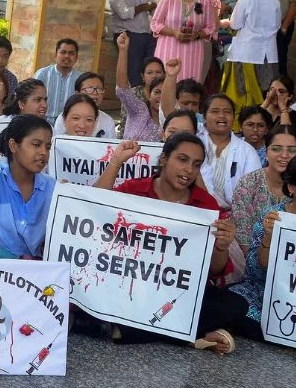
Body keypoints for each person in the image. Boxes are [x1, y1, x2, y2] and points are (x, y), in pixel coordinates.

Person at [93, 134, 244, 353]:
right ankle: (189, 335)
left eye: (196, 164)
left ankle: (127, 330)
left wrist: (222, 246)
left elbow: (215, 271)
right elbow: (93, 206)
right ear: (164, 159)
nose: (189, 170)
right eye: (182, 160)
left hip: (176, 292)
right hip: (130, 284)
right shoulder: (135, 189)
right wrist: (116, 162)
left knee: (236, 306)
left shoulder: (206, 204)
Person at [228, 153, 296, 341]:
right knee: (230, 303)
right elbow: (256, 272)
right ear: (291, 187)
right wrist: (270, 236)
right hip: (266, 295)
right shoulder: (273, 217)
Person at [0, 97, 54, 259]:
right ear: (13, 146)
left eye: (47, 147)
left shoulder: (51, 187)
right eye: (36, 144)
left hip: (27, 276)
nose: (43, 152)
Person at [231, 125, 296, 251]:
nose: (284, 155)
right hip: (249, 259)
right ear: (266, 152)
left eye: (292, 150)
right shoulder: (249, 183)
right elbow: (243, 236)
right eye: (276, 149)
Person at [220, 0, 280, 115]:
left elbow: (235, 24)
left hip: (246, 54)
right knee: (264, 90)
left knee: (242, 92)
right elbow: (277, 25)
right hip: (268, 55)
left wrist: (224, 23)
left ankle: (240, 123)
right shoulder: (274, 1)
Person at [151, 0, 218, 82]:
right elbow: (155, 23)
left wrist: (197, 35)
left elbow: (211, 27)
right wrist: (174, 33)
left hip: (193, 51)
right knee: (165, 84)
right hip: (168, 48)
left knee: (187, 87)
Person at [200, 94, 261, 210]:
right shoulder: (195, 141)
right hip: (193, 210)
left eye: (227, 112)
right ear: (204, 117)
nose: (222, 116)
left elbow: (253, 192)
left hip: (231, 216)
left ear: (233, 118)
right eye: (215, 111)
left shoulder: (247, 151)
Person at [108, 0, 157, 87]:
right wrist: (145, 6)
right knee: (134, 73)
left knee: (153, 67)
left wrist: (151, 8)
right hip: (128, 35)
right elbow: (124, 14)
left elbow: (155, 10)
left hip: (147, 36)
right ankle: (134, 101)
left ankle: (149, 97)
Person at [114, 32, 162, 142]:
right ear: (149, 95)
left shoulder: (172, 121)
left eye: (158, 72)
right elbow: (122, 90)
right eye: (157, 92)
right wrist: (123, 50)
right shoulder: (140, 110)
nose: (161, 97)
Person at [34, 39, 80, 122]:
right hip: (42, 121)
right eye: (63, 52)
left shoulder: (80, 78)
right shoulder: (43, 74)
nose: (67, 56)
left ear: (76, 57)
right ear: (55, 55)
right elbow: (32, 98)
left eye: (71, 53)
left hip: (68, 124)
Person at [195, 0, 224, 86]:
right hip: (206, 40)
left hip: (187, 38)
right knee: (203, 79)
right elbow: (214, 24)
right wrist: (227, 23)